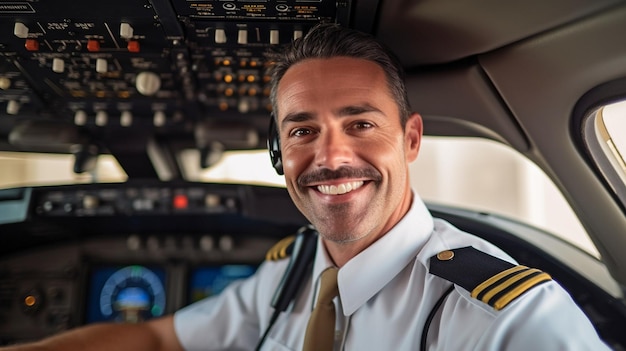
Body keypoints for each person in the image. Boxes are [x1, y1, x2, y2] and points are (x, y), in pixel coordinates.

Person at [2, 23, 611, 351]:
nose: (331, 156)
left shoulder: (505, 319)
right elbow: (160, 337)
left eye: (360, 124)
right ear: (278, 152)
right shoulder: (293, 271)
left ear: (412, 139)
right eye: (301, 130)